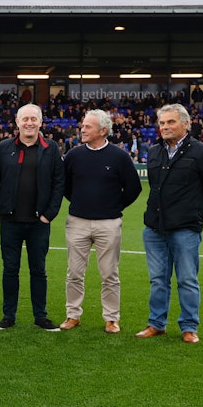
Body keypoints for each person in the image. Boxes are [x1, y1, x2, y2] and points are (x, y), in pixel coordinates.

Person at [137, 103, 203, 343]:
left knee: (187, 279)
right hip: (154, 228)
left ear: (186, 124)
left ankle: (188, 327)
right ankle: (156, 323)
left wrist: (192, 210)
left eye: (171, 122)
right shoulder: (153, 151)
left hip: (185, 228)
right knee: (157, 279)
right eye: (162, 122)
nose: (165, 126)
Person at [60, 109, 142, 334]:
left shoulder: (119, 156)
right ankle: (72, 315)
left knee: (109, 274)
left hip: (109, 223)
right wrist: (79, 202)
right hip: (77, 222)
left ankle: (111, 319)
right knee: (74, 273)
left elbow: (134, 188)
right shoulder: (74, 155)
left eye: (87, 126)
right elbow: (65, 187)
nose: (82, 129)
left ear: (102, 130)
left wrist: (115, 206)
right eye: (83, 125)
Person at [0, 103, 65, 332]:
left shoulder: (51, 148)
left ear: (41, 122)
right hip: (10, 222)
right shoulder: (3, 148)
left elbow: (58, 183)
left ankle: (40, 316)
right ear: (17, 122)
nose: (29, 123)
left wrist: (48, 215)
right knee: (10, 269)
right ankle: (8, 315)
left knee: (38, 270)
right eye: (25, 119)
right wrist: (0, 212)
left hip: (38, 223)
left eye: (34, 118)